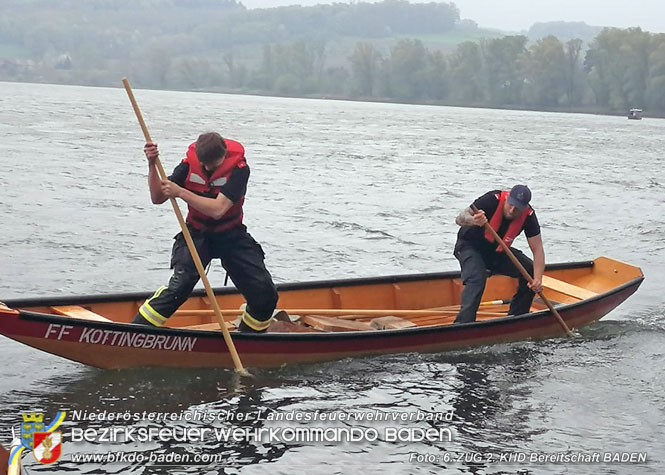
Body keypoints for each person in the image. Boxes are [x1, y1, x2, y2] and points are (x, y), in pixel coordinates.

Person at [132, 132, 278, 333]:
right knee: (180, 287)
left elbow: (218, 209)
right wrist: (151, 164)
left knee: (265, 293)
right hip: (197, 233)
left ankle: (250, 336)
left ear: (224, 155)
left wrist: (181, 192)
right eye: (204, 164)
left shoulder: (239, 170)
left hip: (231, 234)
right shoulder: (187, 166)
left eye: (213, 165)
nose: (208, 169)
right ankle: (136, 330)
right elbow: (157, 197)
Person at [453, 185, 544, 323]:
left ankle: (517, 318)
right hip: (469, 247)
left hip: (496, 253)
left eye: (517, 208)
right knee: (477, 278)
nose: (512, 210)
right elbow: (460, 218)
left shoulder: (529, 216)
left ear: (525, 208)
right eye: (510, 205)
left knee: (530, 270)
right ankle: (463, 324)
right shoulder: (491, 199)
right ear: (507, 198)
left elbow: (538, 250)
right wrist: (473, 220)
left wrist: (537, 280)